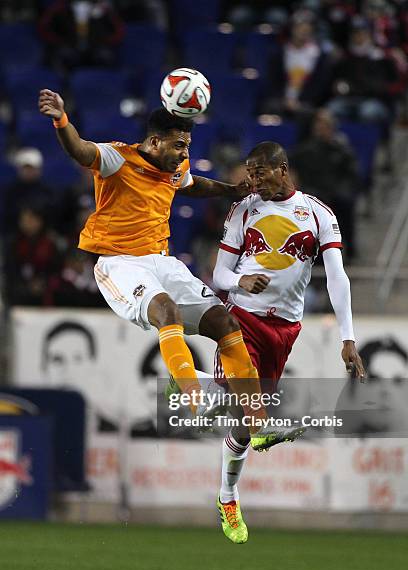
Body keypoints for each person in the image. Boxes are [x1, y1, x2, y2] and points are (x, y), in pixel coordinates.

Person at [38, 89, 293, 451]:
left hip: (161, 260)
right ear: (154, 142)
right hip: (119, 262)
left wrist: (229, 190)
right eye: (178, 146)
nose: (185, 155)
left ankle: (259, 424)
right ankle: (193, 396)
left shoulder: (176, 168)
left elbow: (192, 184)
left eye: (187, 146)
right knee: (166, 311)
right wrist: (61, 119)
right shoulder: (117, 159)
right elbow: (79, 149)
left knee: (225, 321)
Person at [210, 141, 365, 543]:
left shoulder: (318, 214)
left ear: (282, 169)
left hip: (285, 329)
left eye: (259, 171)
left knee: (244, 426)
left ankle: (227, 494)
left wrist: (348, 337)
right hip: (241, 316)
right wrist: (240, 280)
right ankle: (231, 489)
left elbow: (337, 277)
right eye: (249, 171)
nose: (252, 179)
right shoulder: (242, 209)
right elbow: (220, 275)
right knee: (246, 407)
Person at [290, 108, 360, 258]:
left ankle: (349, 247)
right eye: (320, 126)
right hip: (311, 190)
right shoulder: (305, 150)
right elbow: (292, 169)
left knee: (344, 201)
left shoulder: (341, 150)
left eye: (326, 126)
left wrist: (344, 188)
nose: (323, 129)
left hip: (336, 190)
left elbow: (351, 173)